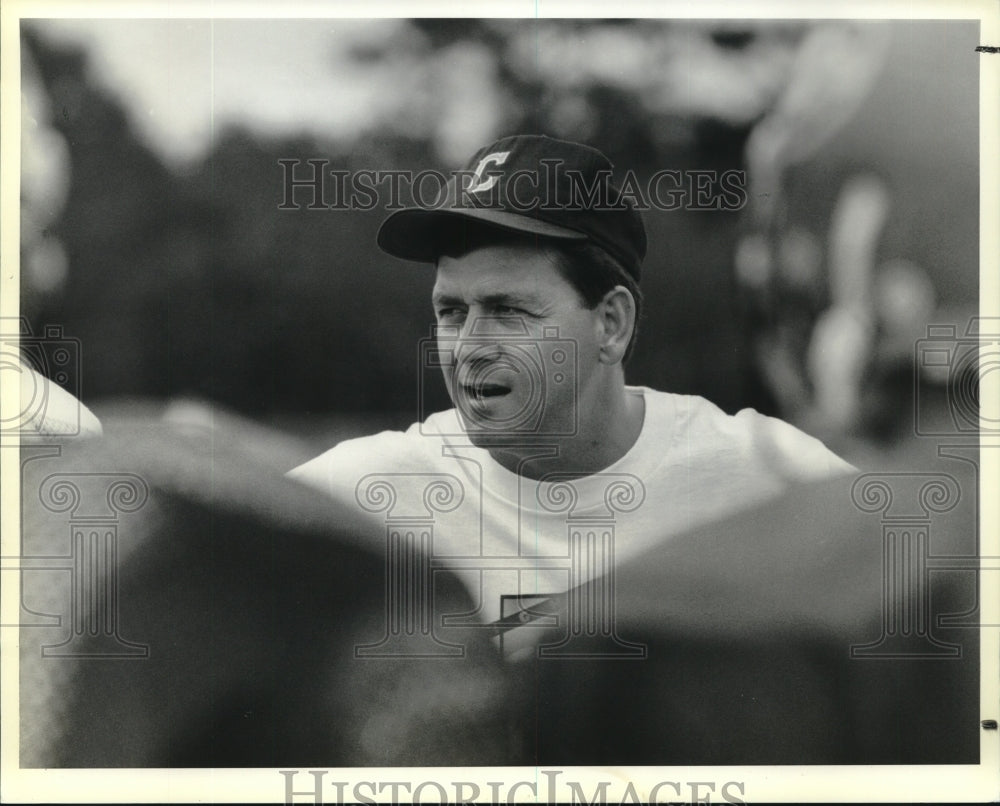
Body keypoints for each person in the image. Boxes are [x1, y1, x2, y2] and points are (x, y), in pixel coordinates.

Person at [289, 134, 856, 636]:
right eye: (451, 312)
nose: (468, 347)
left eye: (508, 309)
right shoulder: (361, 495)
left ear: (611, 324)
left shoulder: (773, 475)